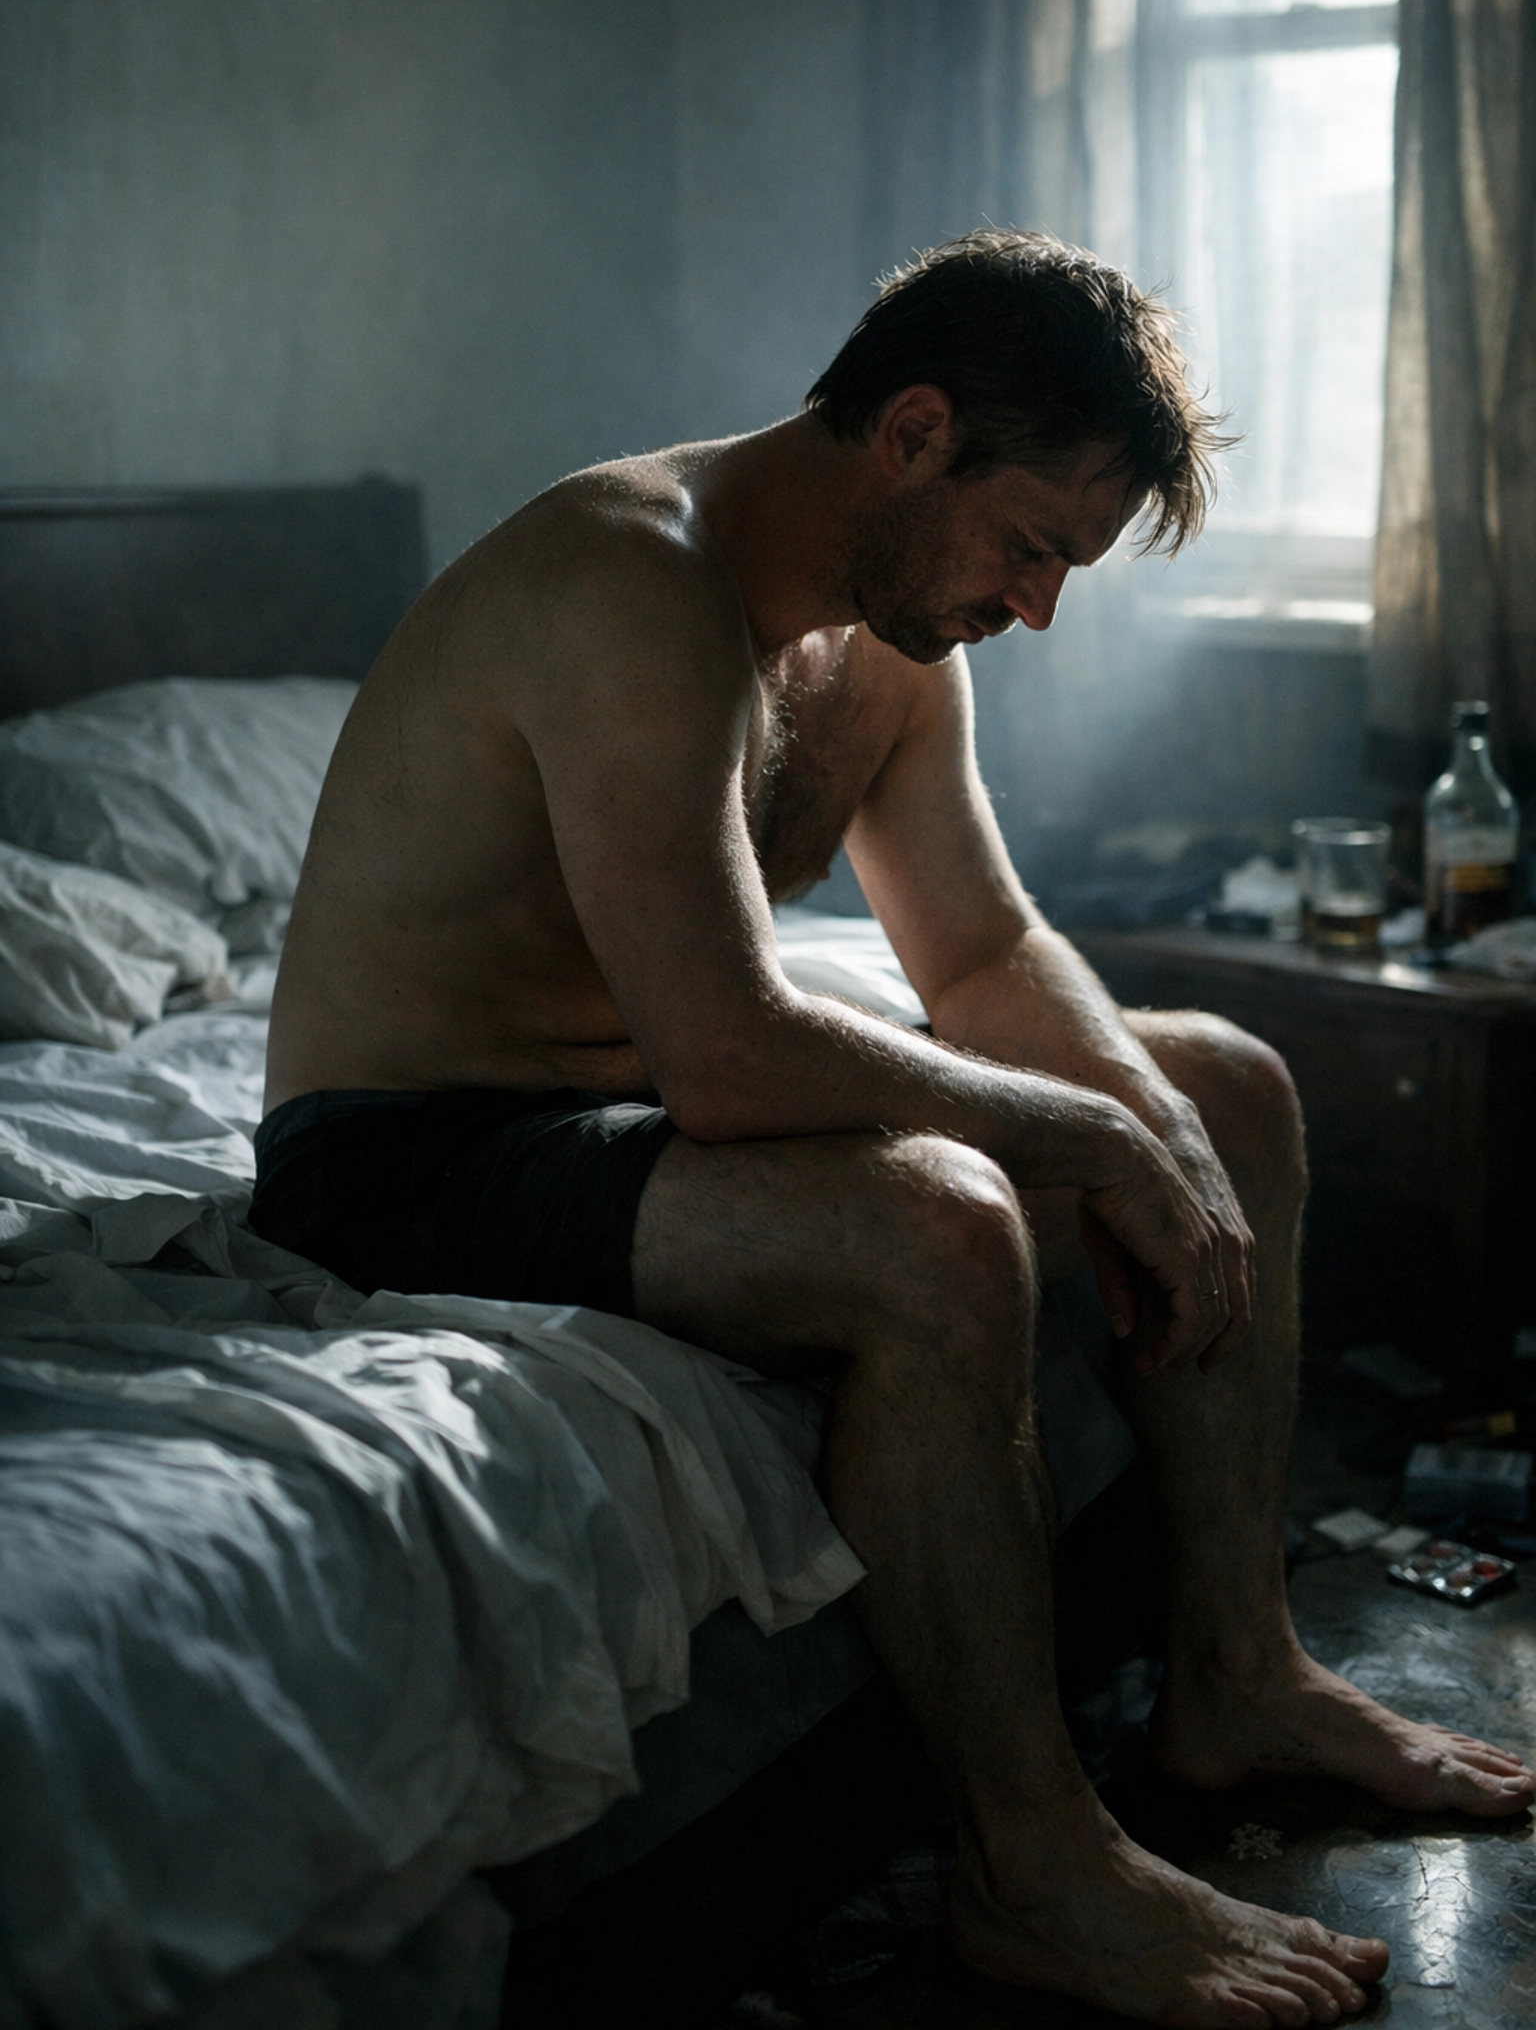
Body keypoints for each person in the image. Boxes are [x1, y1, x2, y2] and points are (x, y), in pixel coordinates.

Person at [254, 231, 1533, 2029]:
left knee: (1225, 1085)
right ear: (912, 432)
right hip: (408, 1147)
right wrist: (1085, 1147)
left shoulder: (888, 646)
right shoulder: (634, 583)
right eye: (1031, 547)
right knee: (935, 1222)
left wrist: (1150, 1119)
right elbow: (728, 1057)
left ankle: (1237, 1667)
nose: (1037, 608)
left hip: (621, 1106)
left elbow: (989, 950)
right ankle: (1032, 1867)